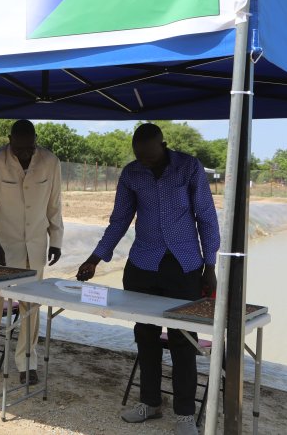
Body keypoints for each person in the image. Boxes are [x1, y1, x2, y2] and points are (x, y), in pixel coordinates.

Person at [75, 123, 219, 435]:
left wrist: (210, 266)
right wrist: (95, 258)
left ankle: (184, 414)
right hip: (143, 263)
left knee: (183, 340)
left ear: (163, 146)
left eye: (150, 157)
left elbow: (207, 218)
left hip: (184, 266)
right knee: (146, 335)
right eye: (140, 157)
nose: (146, 163)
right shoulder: (131, 173)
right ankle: (150, 403)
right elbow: (120, 220)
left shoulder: (189, 168)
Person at [0, 119, 63, 385]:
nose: (25, 154)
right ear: (10, 140)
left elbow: (54, 203)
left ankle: (27, 362)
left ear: (35, 140)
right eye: (19, 149)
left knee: (31, 306)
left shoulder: (50, 162)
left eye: (29, 148)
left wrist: (57, 239)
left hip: (35, 245)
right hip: (0, 248)